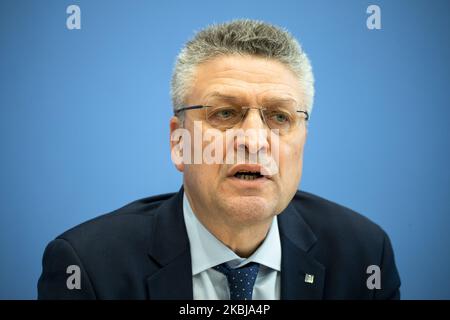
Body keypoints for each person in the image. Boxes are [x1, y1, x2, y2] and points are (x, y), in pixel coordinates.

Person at [38, 19, 400, 300]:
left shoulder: (364, 256)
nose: (255, 140)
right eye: (225, 114)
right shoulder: (87, 267)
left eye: (279, 117)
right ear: (179, 142)